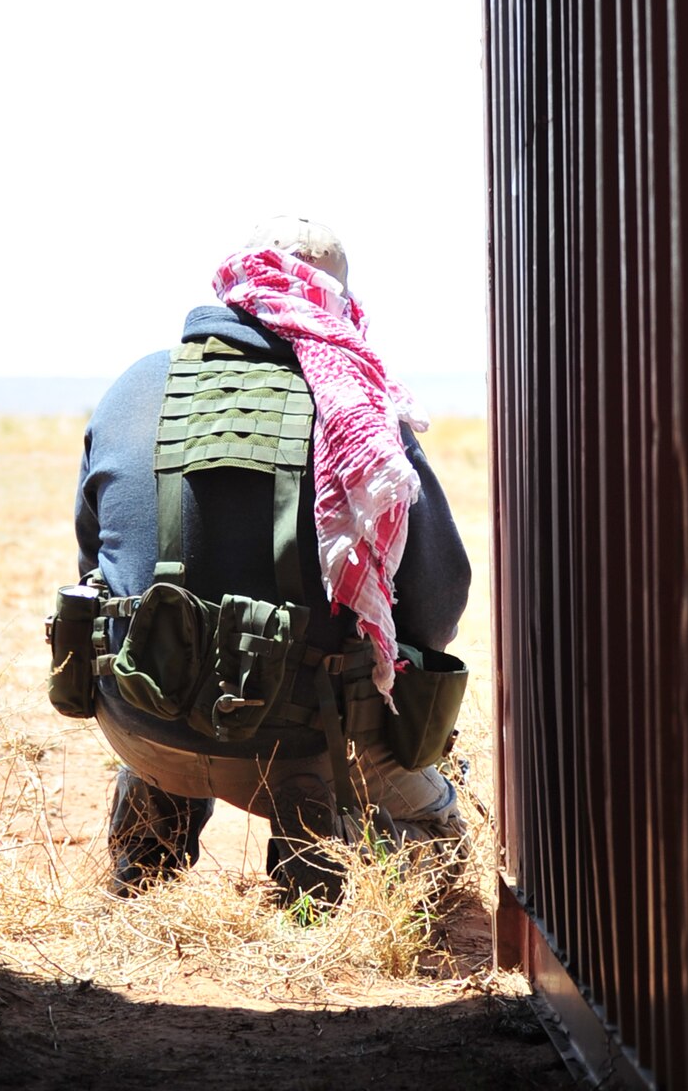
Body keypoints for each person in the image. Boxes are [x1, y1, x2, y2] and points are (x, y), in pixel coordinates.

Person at [73, 218, 472, 901]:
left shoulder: (134, 384)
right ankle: (312, 849)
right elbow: (436, 609)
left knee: (171, 642)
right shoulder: (361, 406)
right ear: (334, 299)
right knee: (440, 853)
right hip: (302, 747)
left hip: (138, 723)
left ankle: (145, 852)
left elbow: (100, 564)